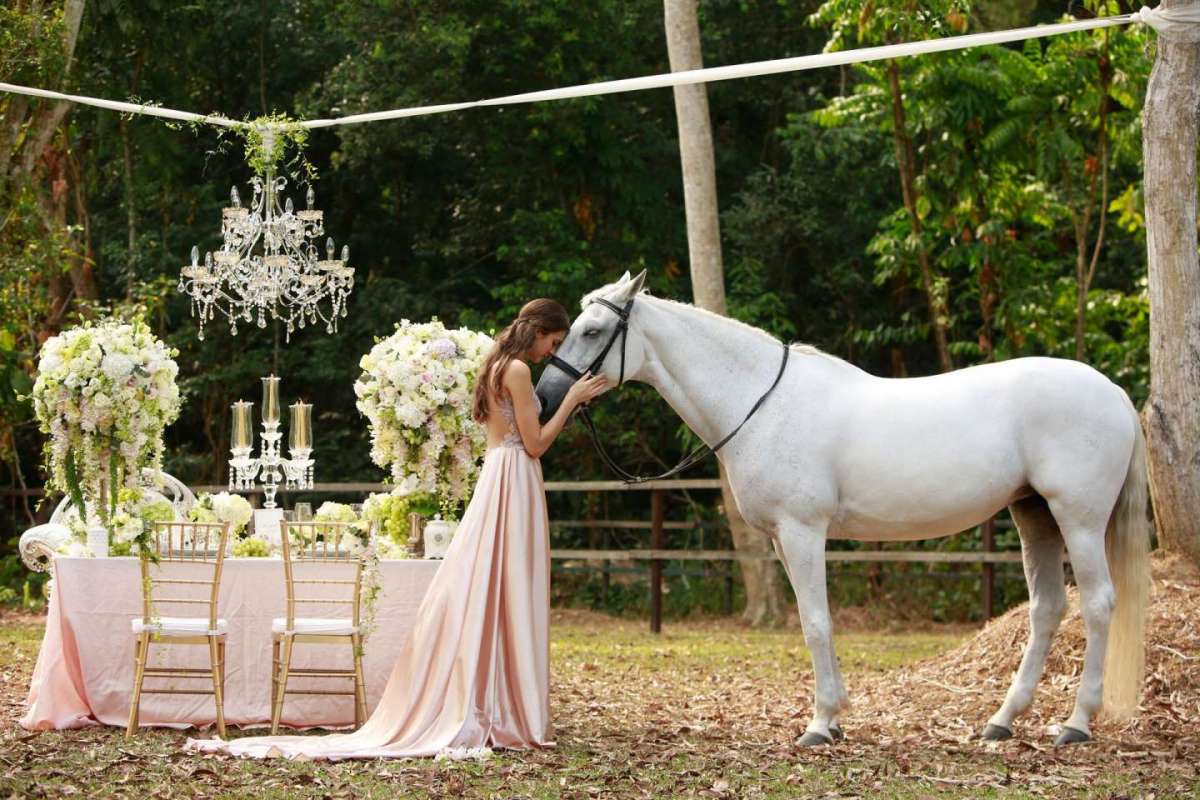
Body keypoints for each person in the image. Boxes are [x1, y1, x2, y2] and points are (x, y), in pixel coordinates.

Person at [187, 299, 607, 759]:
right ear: (541, 331)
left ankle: (498, 699)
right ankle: (507, 705)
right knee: (510, 587)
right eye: (555, 341)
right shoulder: (519, 372)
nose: (553, 351)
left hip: (496, 476)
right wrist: (572, 399)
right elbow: (535, 443)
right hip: (514, 481)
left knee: (495, 586)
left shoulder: (495, 365)